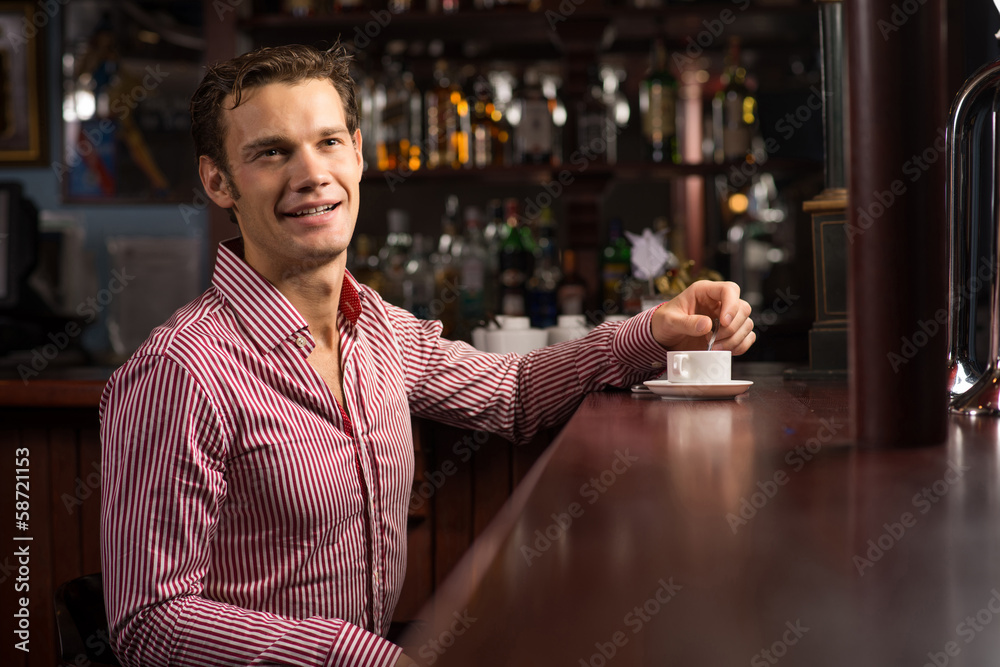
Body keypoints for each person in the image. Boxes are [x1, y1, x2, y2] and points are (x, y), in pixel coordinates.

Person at [99, 43, 755, 667]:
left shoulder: (377, 327)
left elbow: (514, 392)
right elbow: (149, 621)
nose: (311, 174)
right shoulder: (180, 372)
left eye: (329, 141)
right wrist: (358, 655)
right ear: (218, 181)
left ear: (358, 154)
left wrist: (655, 329)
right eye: (272, 152)